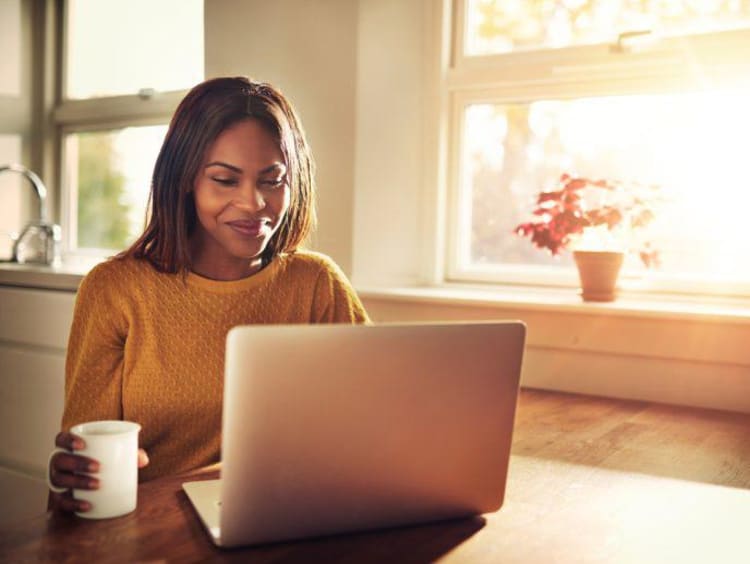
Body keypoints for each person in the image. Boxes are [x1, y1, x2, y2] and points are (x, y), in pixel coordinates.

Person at [47, 76, 369, 514]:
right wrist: (74, 477)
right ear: (185, 180)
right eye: (225, 180)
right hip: (152, 532)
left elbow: (375, 422)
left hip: (287, 516)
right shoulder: (116, 289)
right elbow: (81, 467)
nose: (254, 203)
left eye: (272, 181)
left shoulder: (317, 285)